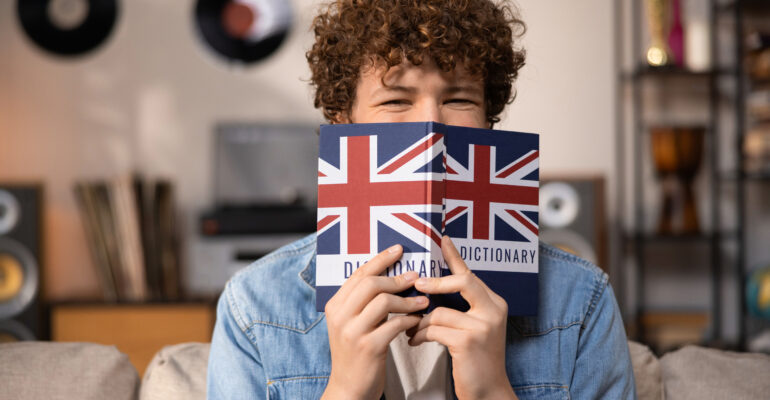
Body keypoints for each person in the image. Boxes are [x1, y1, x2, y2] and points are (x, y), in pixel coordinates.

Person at [207, 0, 636, 399]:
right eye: (396, 99)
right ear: (344, 120)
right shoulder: (253, 307)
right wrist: (344, 391)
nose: (431, 124)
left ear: (489, 120)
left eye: (459, 99)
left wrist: (492, 391)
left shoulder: (581, 300)